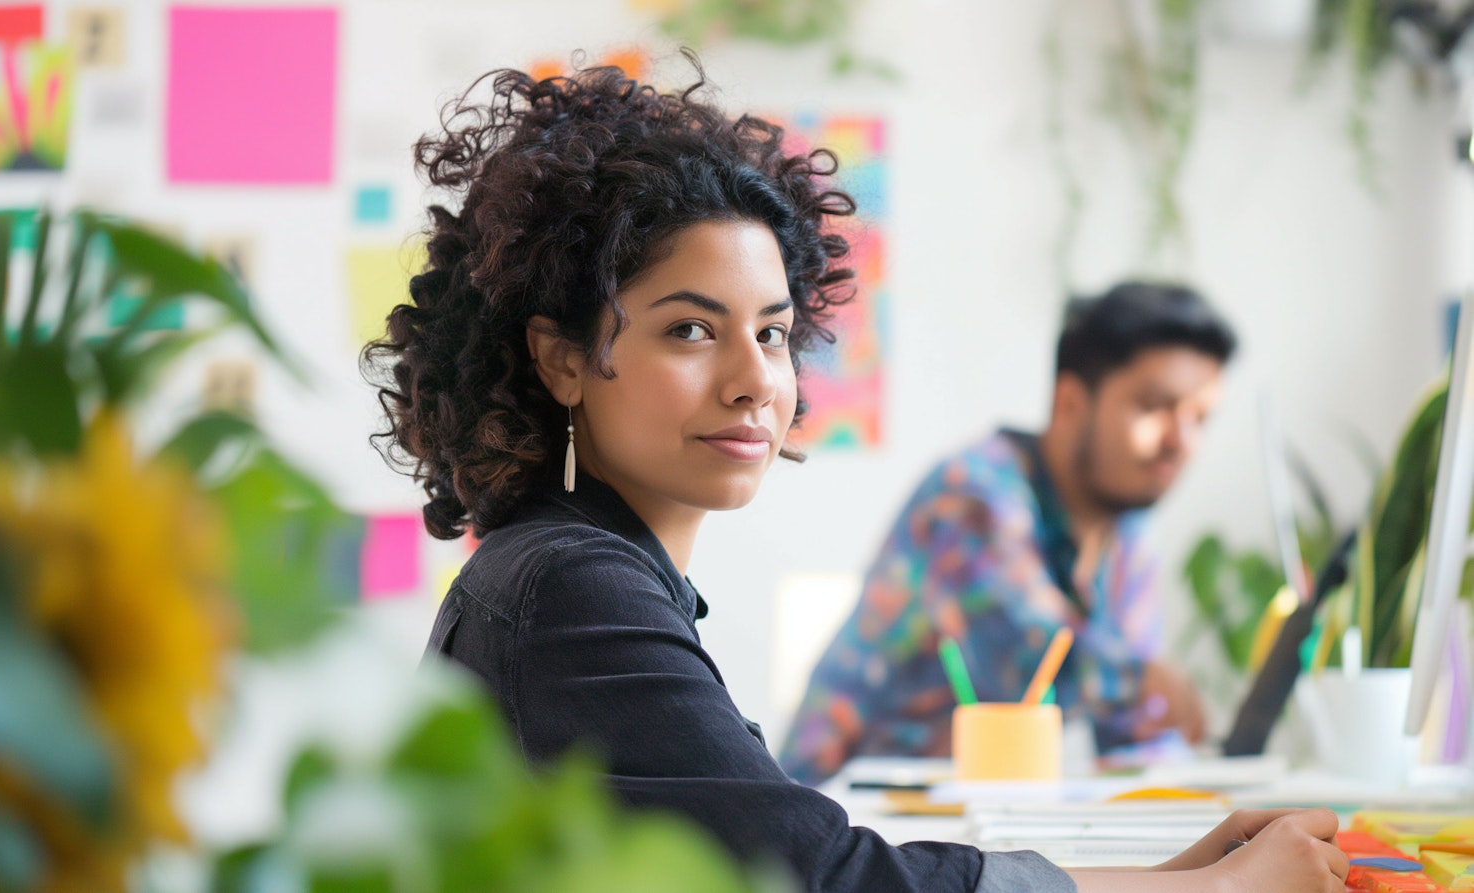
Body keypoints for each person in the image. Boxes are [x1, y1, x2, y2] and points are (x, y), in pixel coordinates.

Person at [365, 57, 1347, 893]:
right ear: (562, 358)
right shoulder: (572, 588)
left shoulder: (579, 566)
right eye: (691, 329)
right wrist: (1217, 890)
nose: (756, 380)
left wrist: (1180, 875)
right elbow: (829, 879)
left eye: (775, 333)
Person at [780, 282, 1235, 787]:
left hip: (961, 824)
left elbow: (1133, 727)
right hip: (839, 811)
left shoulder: (1129, 531)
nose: (1182, 441)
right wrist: (1145, 684)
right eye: (1155, 407)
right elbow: (1028, 654)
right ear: (1069, 404)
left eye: (1199, 417)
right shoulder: (973, 494)